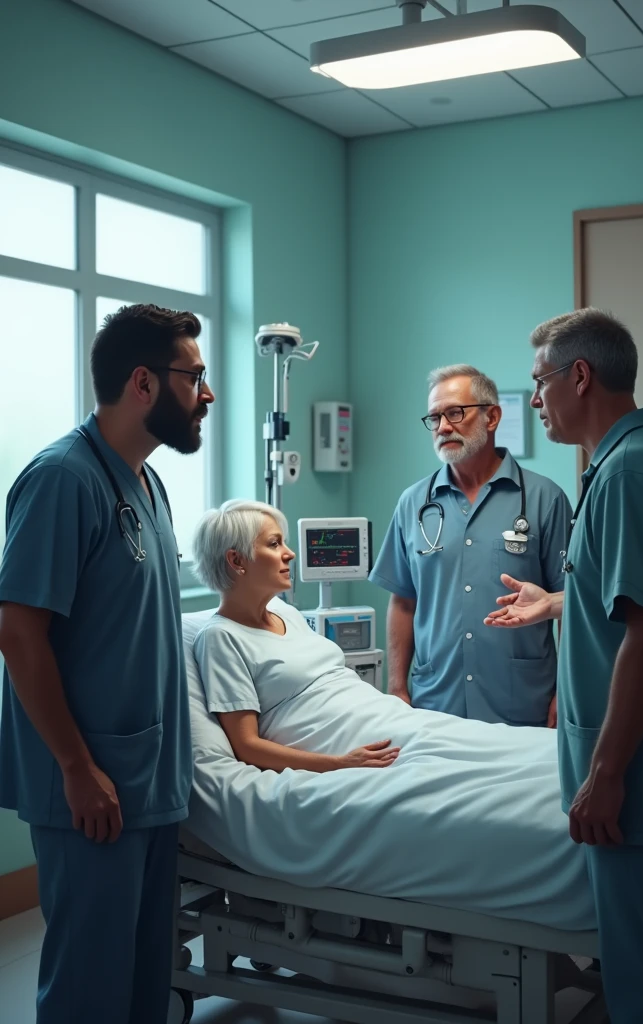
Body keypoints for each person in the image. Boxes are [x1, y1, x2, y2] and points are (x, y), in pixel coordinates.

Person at [186, 498, 595, 932]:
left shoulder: (286, 613)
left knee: (518, 753)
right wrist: (338, 765)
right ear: (237, 560)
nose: (289, 553)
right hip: (346, 745)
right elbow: (246, 747)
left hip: (389, 720)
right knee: (489, 788)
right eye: (274, 544)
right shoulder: (221, 640)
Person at [0, 304, 215, 1024]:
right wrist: (74, 768)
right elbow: (19, 634)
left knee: (142, 984)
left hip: (147, 783)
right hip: (90, 786)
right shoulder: (64, 479)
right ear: (145, 383)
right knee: (90, 992)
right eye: (197, 377)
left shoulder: (148, 485)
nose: (207, 394)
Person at [485, 308, 643, 1023]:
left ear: (579, 376)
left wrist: (604, 775)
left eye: (539, 382)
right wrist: (560, 602)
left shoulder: (631, 472)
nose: (534, 400)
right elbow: (640, 598)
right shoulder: (629, 464)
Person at [369, 363, 571, 725]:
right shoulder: (413, 503)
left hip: (523, 702)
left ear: (492, 417)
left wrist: (566, 692)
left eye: (455, 413)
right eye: (435, 418)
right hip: (435, 701)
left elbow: (568, 603)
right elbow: (402, 601)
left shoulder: (545, 499)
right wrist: (396, 687)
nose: (443, 427)